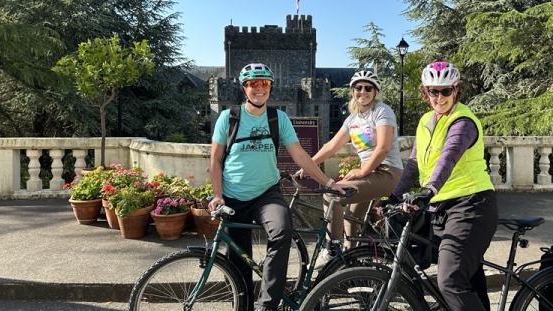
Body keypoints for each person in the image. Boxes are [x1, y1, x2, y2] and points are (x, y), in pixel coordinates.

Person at [209, 63, 345, 311]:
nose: (259, 89)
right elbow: (215, 161)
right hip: (233, 196)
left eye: (264, 84)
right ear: (244, 88)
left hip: (267, 194)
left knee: (281, 231)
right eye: (253, 84)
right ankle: (243, 305)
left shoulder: (278, 118)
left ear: (270, 87)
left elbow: (300, 155)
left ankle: (267, 305)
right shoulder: (228, 118)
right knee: (238, 259)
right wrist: (218, 196)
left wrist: (327, 182)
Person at [385, 61, 498, 311]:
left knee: (450, 280)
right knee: (468, 277)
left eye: (445, 91)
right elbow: (414, 163)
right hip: (442, 207)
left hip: (472, 206)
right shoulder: (426, 120)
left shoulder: (463, 122)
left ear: (455, 90)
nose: (439, 97)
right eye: (433, 91)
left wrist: (428, 190)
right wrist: (393, 197)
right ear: (425, 92)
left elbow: (449, 157)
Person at [299, 70, 402, 260]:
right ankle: (348, 263)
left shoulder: (382, 111)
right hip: (369, 174)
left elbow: (383, 148)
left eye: (368, 88)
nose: (363, 92)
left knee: (333, 195)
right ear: (352, 91)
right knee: (351, 220)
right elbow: (332, 146)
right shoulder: (353, 119)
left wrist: (362, 170)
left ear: (375, 91)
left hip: (387, 172)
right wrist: (309, 165)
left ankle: (332, 249)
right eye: (358, 88)